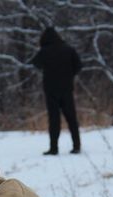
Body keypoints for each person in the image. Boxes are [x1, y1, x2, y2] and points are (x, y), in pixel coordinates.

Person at [31, 26, 82, 155]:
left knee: (54, 119)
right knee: (71, 118)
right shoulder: (68, 49)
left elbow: (35, 63)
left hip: (51, 90)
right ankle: (76, 146)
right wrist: (69, 74)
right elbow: (78, 66)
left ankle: (54, 148)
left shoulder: (44, 51)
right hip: (67, 88)